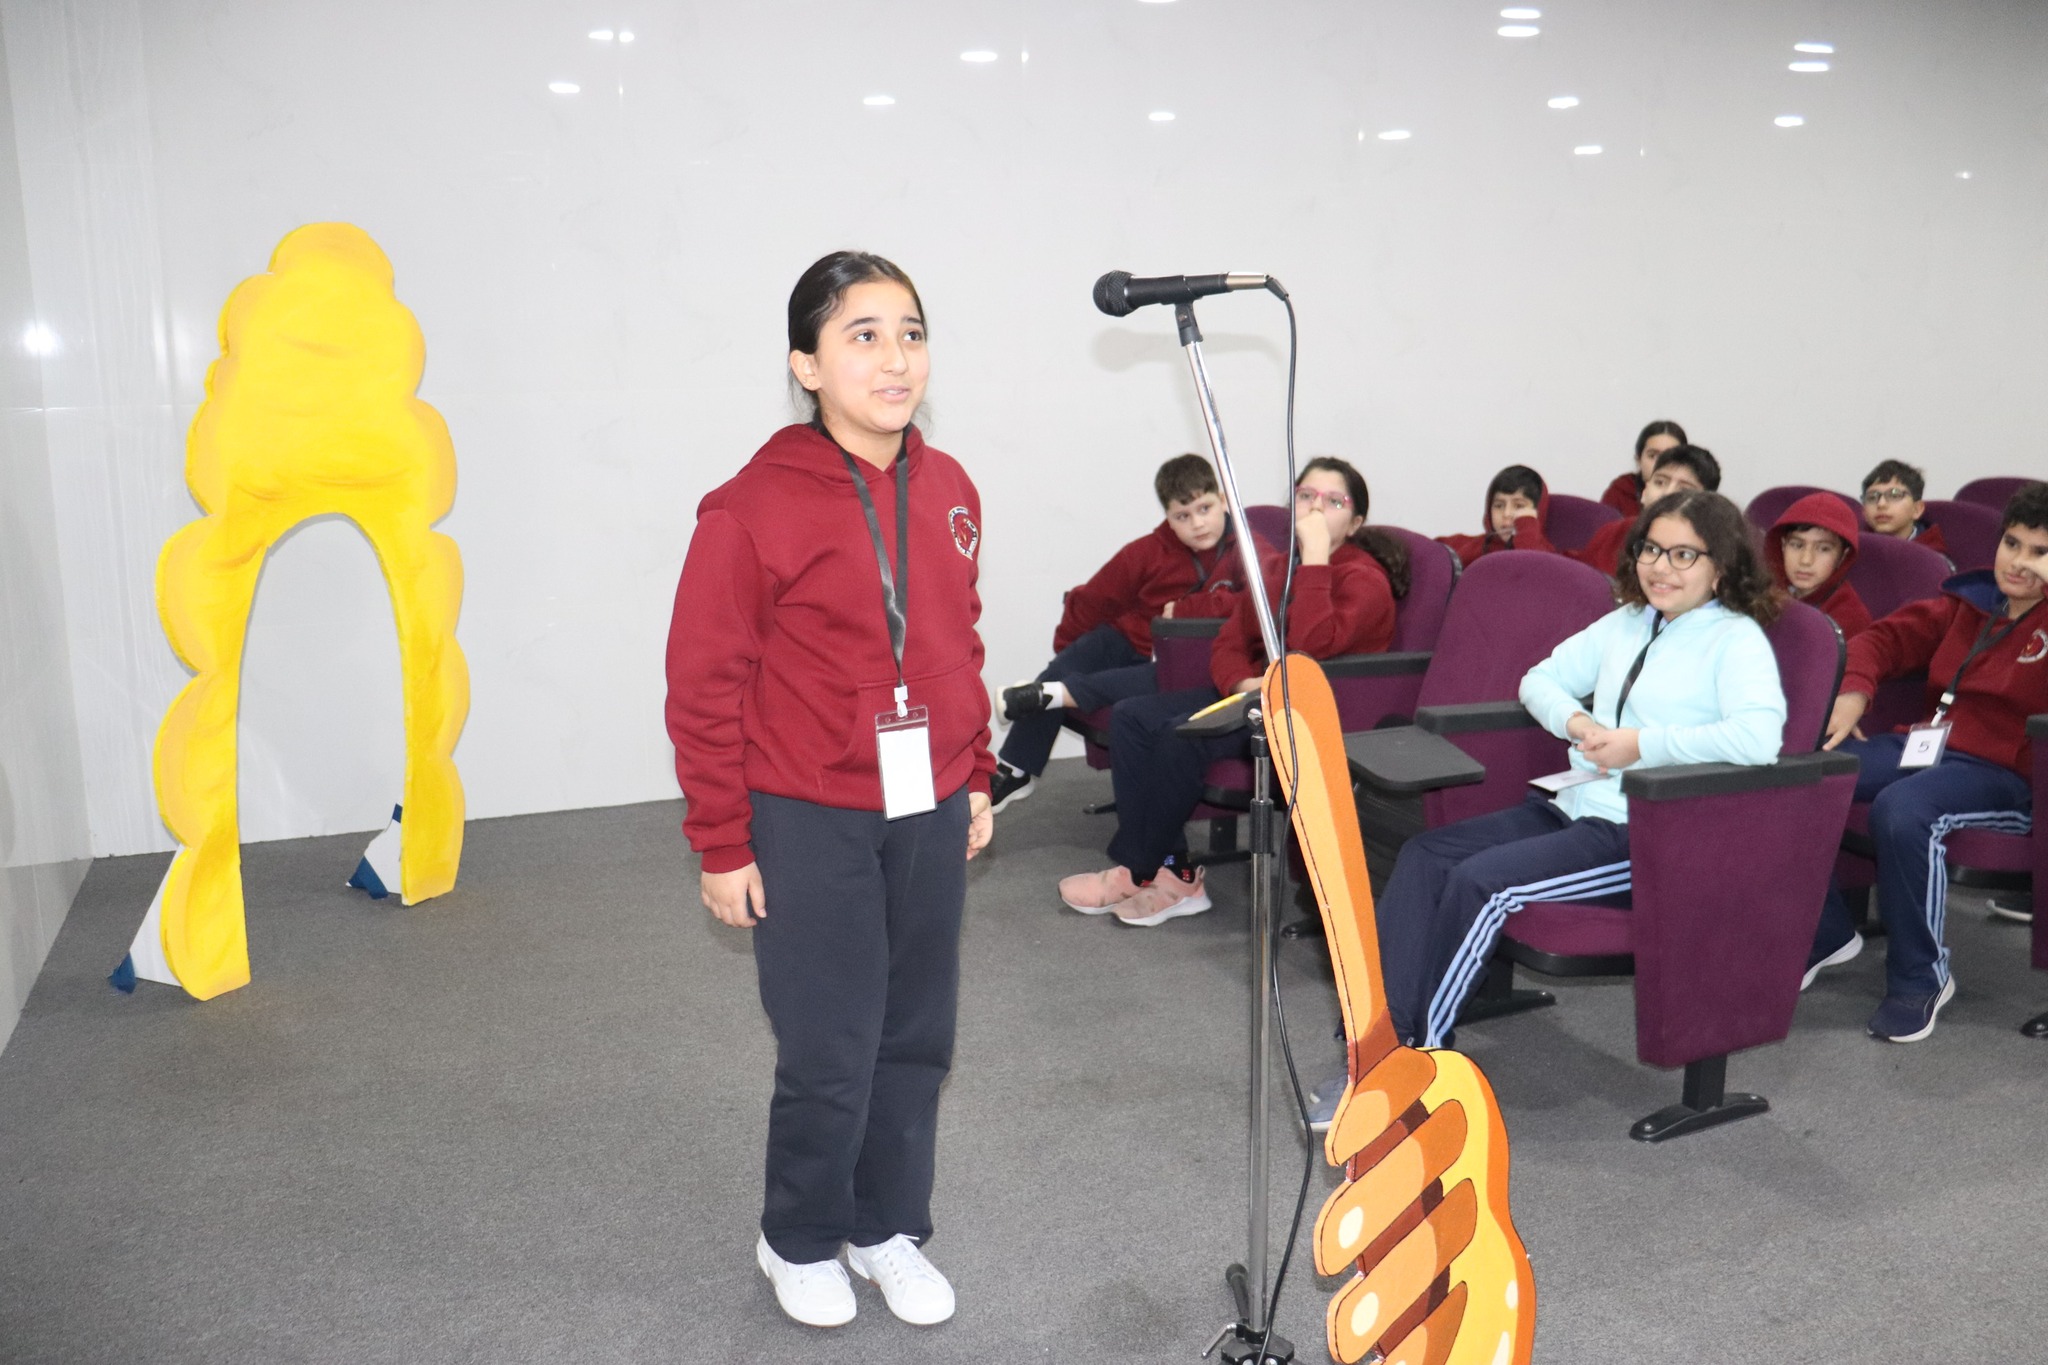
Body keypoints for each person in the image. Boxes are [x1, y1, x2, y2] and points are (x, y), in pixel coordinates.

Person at [664, 251, 993, 1330]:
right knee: (830, 1044)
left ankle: (883, 1225)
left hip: (927, 800)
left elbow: (957, 640)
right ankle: (798, 1236)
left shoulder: (949, 488)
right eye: (862, 335)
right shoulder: (749, 508)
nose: (895, 359)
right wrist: (722, 842)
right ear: (806, 365)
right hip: (806, 811)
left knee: (917, 1036)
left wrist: (973, 772)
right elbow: (703, 684)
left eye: (910, 332)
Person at [1376, 490, 1786, 1047]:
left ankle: (1416, 1052)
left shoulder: (1736, 640)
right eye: (1651, 549)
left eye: (1684, 555)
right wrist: (1577, 723)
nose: (1660, 567)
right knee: (1424, 855)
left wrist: (1641, 746)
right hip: (1570, 802)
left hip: (1640, 832)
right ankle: (1380, 1031)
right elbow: (1539, 680)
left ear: (1721, 567)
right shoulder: (1629, 621)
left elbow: (1758, 739)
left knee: (1482, 884)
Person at [1057, 458, 1407, 925]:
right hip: (1257, 696)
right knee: (1131, 717)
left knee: (1179, 736)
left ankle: (1139, 870)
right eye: (1306, 496)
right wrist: (1242, 682)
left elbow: (1310, 645)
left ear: (1356, 522)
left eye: (1333, 502)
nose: (1315, 509)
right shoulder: (1279, 567)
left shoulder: (1364, 580)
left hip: (1309, 713)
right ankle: (1174, 871)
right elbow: (1229, 641)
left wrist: (1316, 560)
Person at [1803, 482, 2048, 1042]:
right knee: (1806, 776)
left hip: (2009, 773)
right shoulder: (1971, 602)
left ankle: (1920, 977)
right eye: (2012, 544)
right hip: (1928, 747)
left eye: (2040, 552)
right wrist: (1855, 689)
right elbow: (1880, 640)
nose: (2019, 562)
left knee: (1903, 809)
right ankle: (1826, 933)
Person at [988, 453, 1251, 811]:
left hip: (1179, 658)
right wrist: (1068, 651)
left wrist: (1188, 608)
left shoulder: (1245, 549)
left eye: (1205, 509)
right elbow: (1093, 601)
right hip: (1128, 641)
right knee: (1071, 663)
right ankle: (1015, 769)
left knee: (1079, 680)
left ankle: (1046, 699)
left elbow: (1253, 601)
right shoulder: (1145, 552)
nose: (1198, 524)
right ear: (1168, 517)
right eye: (1183, 516)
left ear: (1222, 500)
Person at [1571, 443, 1722, 576]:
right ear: (1644, 491)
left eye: (1684, 490)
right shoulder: (1613, 534)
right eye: (1660, 482)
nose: (1667, 493)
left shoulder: (1710, 553)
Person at [1767, 492, 1872, 639]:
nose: (1806, 560)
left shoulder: (1851, 619)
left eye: (1823, 549)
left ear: (1843, 556)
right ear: (1783, 546)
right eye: (1796, 545)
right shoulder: (1766, 597)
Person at [1437, 464, 1558, 567]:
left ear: (1538, 511)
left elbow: (1532, 568)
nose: (1506, 514)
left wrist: (1526, 527)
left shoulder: (1551, 557)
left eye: (1519, 506)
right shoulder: (1471, 547)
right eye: (1499, 506)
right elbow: (1430, 552)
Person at [1598, 419, 1689, 519]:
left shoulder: (1690, 497)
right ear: (1638, 460)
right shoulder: (1621, 491)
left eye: (1670, 456)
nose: (1661, 463)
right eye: (1653, 456)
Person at [1860, 459, 1949, 559]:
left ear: (1917, 509)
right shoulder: (1854, 552)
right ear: (1864, 511)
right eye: (1872, 497)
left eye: (1894, 496)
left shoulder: (1934, 558)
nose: (1881, 504)